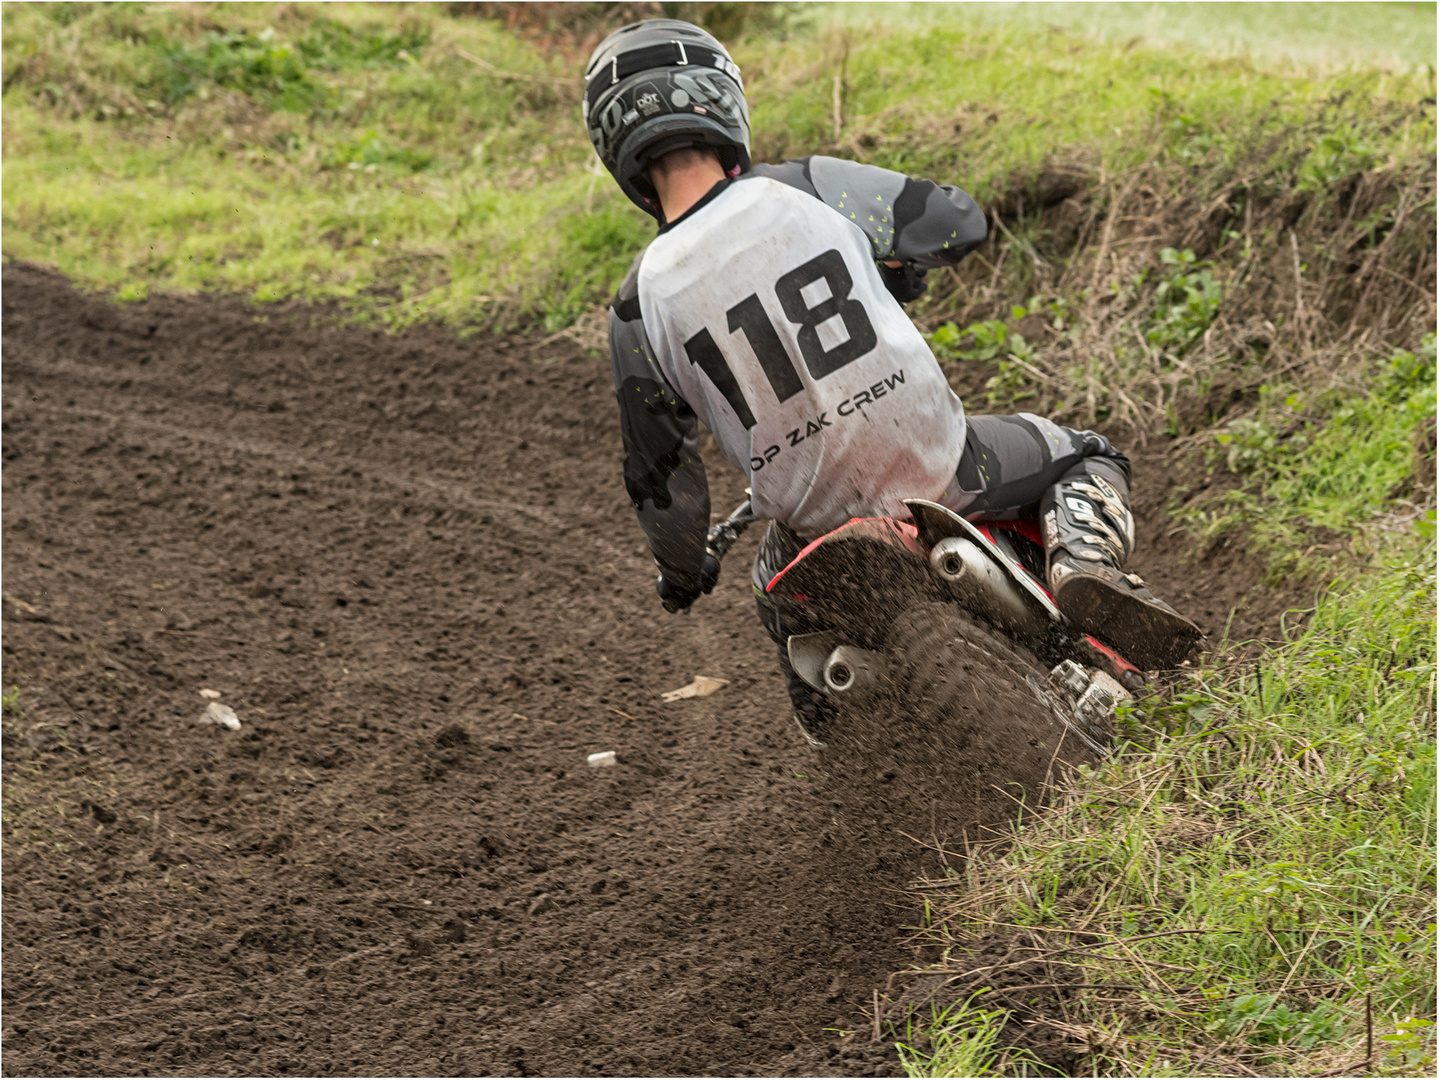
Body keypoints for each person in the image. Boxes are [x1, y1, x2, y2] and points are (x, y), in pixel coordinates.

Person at [585, 19, 1201, 739]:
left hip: (811, 526)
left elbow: (663, 482)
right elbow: (954, 220)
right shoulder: (805, 186)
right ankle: (1082, 568)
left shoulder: (636, 306)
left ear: (614, 147)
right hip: (944, 469)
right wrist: (891, 260)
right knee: (1084, 452)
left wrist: (683, 573)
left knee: (775, 607)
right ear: (720, 101)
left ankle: (853, 761)